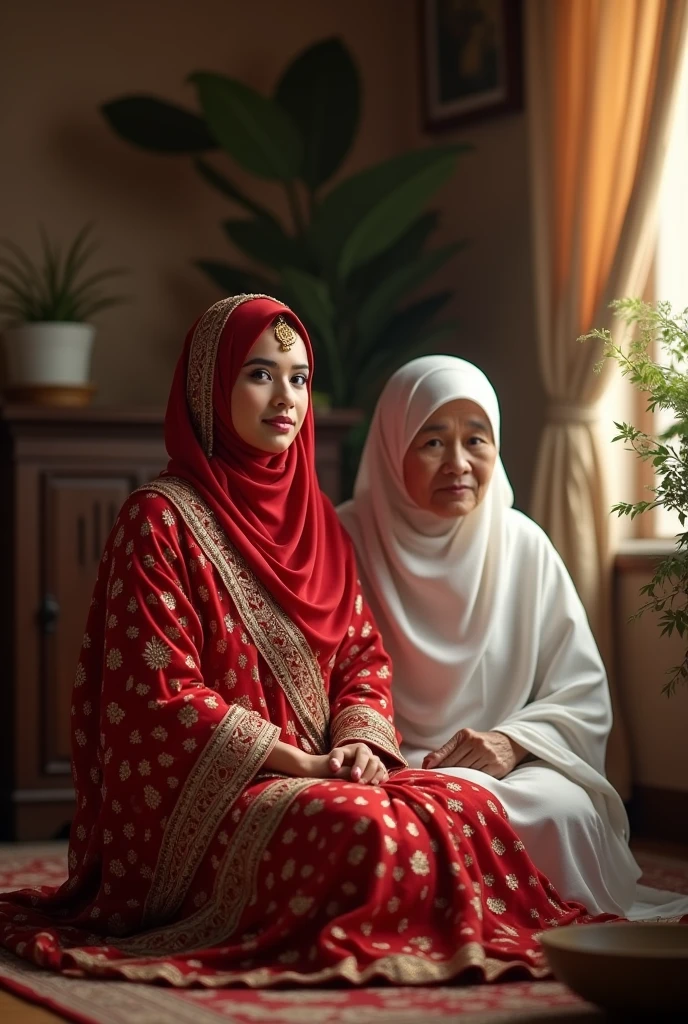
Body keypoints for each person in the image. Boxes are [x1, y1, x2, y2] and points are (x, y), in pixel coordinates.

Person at [0, 299, 611, 988]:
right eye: (260, 374)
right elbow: (156, 694)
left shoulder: (318, 519)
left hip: (321, 773)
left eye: (298, 378)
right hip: (208, 795)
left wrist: (359, 742)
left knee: (444, 807)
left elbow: (360, 655)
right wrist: (295, 759)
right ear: (211, 385)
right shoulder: (160, 519)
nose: (285, 398)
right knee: (368, 832)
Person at [339, 355, 688, 919]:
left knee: (563, 809)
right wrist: (368, 749)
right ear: (391, 446)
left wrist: (512, 741)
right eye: (431, 442)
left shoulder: (522, 543)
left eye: (476, 440)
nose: (458, 463)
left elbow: (581, 693)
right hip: (386, 764)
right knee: (377, 820)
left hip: (507, 771)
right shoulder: (342, 539)